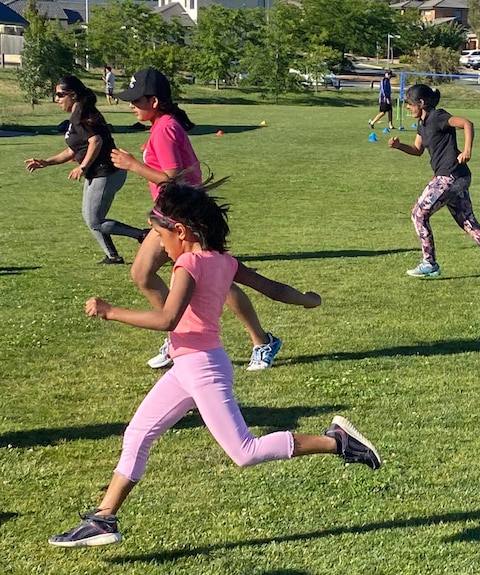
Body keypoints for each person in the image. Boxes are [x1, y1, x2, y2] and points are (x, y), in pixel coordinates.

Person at [47, 180, 381, 548]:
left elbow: (168, 320)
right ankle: (103, 519)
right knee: (137, 435)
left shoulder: (188, 264)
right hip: (189, 366)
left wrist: (110, 312)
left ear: (181, 231)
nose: (159, 246)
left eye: (160, 237)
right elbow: (271, 287)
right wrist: (306, 300)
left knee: (244, 452)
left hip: (203, 369)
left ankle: (337, 441)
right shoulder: (223, 261)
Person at [111, 67, 283, 370]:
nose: (131, 105)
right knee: (142, 273)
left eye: (136, 100)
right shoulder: (164, 124)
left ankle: (263, 341)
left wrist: (132, 165)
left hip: (186, 217)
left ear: (153, 101)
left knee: (219, 279)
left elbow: (171, 179)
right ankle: (179, 335)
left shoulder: (164, 128)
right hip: (171, 217)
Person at [387, 84, 480, 280]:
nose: (408, 108)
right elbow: (418, 150)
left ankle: (429, 263)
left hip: (449, 176)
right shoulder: (422, 124)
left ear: (422, 102)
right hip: (459, 177)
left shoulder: (438, 116)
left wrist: (467, 150)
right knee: (468, 222)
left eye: (410, 104)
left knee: (418, 214)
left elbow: (467, 123)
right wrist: (399, 146)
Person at [24, 76, 146, 265]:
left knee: (94, 220)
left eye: (59, 95)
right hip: (97, 172)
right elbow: (71, 150)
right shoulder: (77, 115)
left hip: (107, 171)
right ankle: (112, 255)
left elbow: (95, 141)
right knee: (91, 218)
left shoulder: (81, 113)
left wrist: (83, 166)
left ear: (72, 95)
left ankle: (141, 235)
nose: (56, 99)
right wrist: (46, 162)